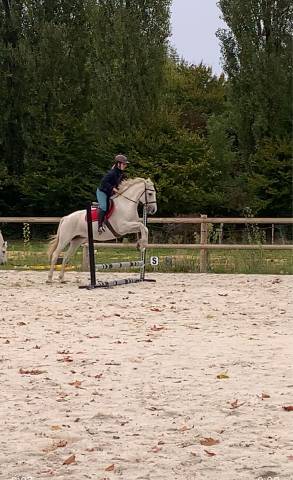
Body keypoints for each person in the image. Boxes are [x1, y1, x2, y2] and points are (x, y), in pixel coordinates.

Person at [96, 154, 130, 232]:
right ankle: (100, 226)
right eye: (124, 164)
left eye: (125, 164)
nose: (125, 166)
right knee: (104, 206)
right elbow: (103, 182)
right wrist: (113, 188)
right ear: (118, 164)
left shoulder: (120, 173)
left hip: (110, 193)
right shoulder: (112, 173)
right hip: (102, 192)